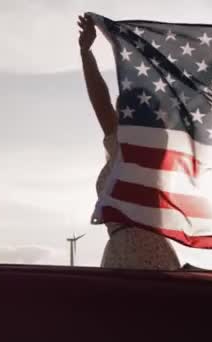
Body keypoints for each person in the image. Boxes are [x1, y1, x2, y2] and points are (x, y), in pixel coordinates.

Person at [77, 14, 180, 270]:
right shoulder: (131, 151)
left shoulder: (138, 150)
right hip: (131, 250)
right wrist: (86, 53)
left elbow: (100, 101)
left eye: (122, 108)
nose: (115, 111)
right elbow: (102, 103)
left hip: (139, 252)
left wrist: (86, 53)